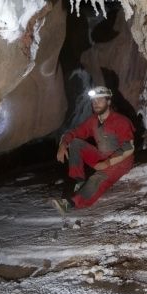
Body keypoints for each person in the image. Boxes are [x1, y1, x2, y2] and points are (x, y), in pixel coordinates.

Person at [52, 85, 135, 213]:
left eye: (100, 100)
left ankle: (71, 204)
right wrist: (63, 144)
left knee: (97, 178)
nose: (96, 103)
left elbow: (128, 147)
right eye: (94, 101)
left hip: (120, 161)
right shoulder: (93, 121)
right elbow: (74, 133)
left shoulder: (121, 121)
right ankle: (78, 180)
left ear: (108, 102)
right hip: (102, 155)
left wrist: (107, 162)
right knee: (74, 143)